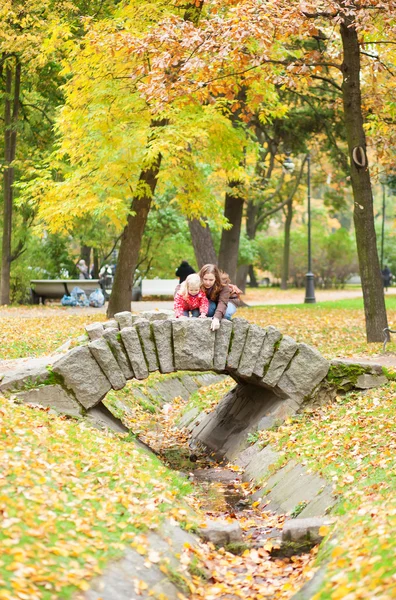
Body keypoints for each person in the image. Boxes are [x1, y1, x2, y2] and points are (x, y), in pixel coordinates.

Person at [199, 264, 235, 331]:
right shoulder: (197, 280)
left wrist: (216, 318)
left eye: (211, 280)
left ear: (216, 278)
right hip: (211, 302)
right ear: (201, 277)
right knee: (208, 311)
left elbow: (223, 302)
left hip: (227, 302)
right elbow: (181, 287)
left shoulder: (223, 284)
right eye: (205, 279)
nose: (207, 282)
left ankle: (226, 331)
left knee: (226, 314)